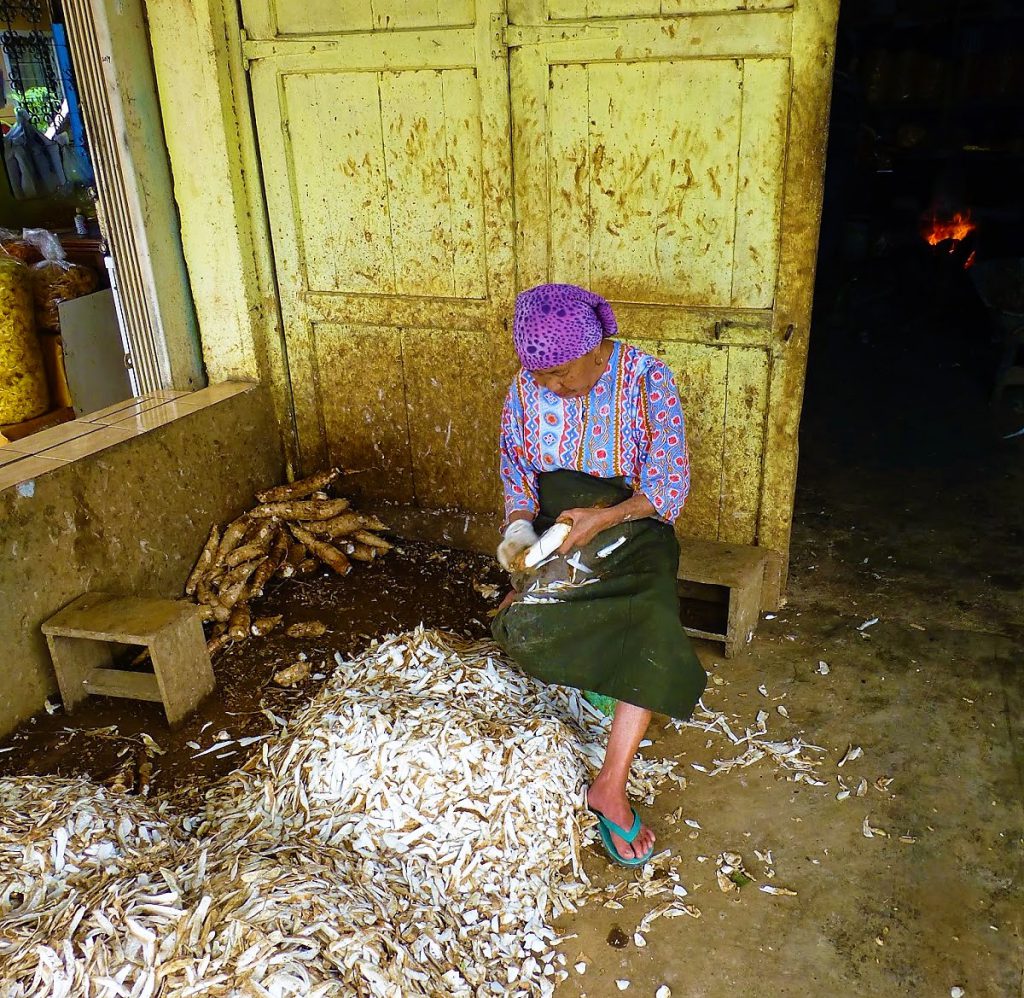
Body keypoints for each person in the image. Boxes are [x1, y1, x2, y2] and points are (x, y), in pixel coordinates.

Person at [491, 283, 707, 866]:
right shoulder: (525, 386)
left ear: (597, 348)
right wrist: (519, 527)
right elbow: (517, 466)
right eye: (540, 377)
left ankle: (609, 784)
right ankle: (561, 632)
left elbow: (667, 485)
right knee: (523, 628)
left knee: (651, 620)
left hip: (632, 519)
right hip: (558, 520)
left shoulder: (646, 379)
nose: (551, 387)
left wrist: (606, 516)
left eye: (562, 374)